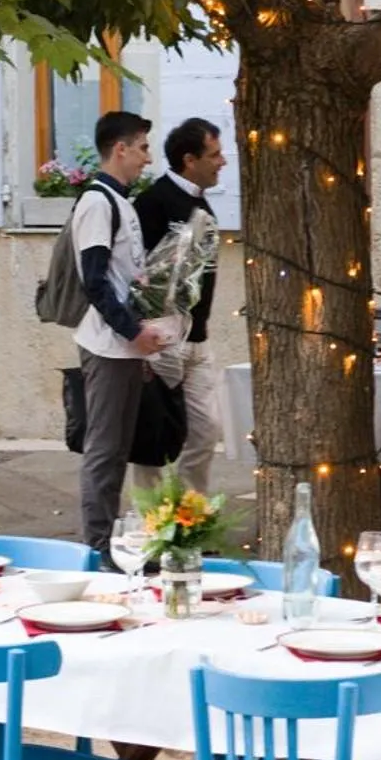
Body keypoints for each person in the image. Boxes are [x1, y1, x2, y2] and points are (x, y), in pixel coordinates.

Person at [71, 111, 173, 564]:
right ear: (120, 149)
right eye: (143, 148)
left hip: (126, 347)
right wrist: (133, 331)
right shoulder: (98, 203)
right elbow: (94, 280)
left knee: (118, 449)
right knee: (106, 451)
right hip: (109, 347)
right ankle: (98, 550)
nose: (147, 158)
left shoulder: (121, 200)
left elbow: (125, 276)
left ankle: (115, 545)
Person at [133, 117, 228, 493]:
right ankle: (150, 525)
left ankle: (191, 518)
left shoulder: (201, 202)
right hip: (164, 339)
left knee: (205, 433)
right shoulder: (154, 202)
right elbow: (135, 270)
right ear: (190, 159)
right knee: (154, 439)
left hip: (198, 340)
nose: (222, 162)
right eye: (215, 154)